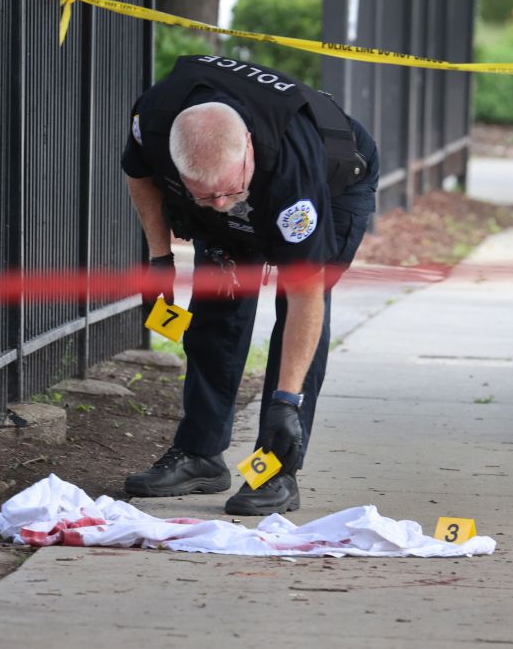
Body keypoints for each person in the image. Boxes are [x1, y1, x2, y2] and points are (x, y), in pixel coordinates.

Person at [121, 54, 379, 515]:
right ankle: (200, 454)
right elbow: (139, 176)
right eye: (205, 195)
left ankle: (275, 468)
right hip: (237, 175)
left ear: (248, 147)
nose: (221, 206)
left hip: (336, 182)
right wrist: (160, 260)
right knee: (215, 310)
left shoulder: (290, 170)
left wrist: (285, 400)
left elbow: (305, 298)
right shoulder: (153, 120)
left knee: (296, 313)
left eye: (228, 192)